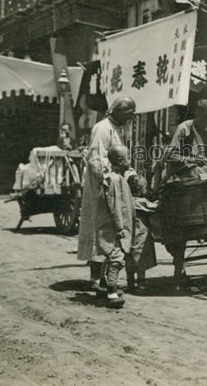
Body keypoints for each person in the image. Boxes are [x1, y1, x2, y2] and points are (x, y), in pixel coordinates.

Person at [164, 99, 207, 292]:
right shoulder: (184, 129)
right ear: (199, 114)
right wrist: (192, 159)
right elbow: (169, 156)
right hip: (182, 175)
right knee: (198, 174)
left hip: (204, 176)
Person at [77, 97, 136, 290]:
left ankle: (106, 277)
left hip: (115, 185)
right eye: (128, 113)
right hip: (101, 187)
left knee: (112, 230)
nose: (130, 117)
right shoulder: (102, 128)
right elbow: (96, 159)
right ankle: (95, 278)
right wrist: (108, 183)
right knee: (99, 228)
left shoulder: (119, 128)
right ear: (117, 111)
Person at [96, 145, 134, 309]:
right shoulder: (113, 180)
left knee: (110, 255)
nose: (130, 160)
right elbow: (115, 206)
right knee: (116, 259)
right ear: (120, 160)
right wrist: (120, 228)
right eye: (128, 157)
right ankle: (111, 290)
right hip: (113, 228)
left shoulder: (119, 178)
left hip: (118, 226)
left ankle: (103, 284)